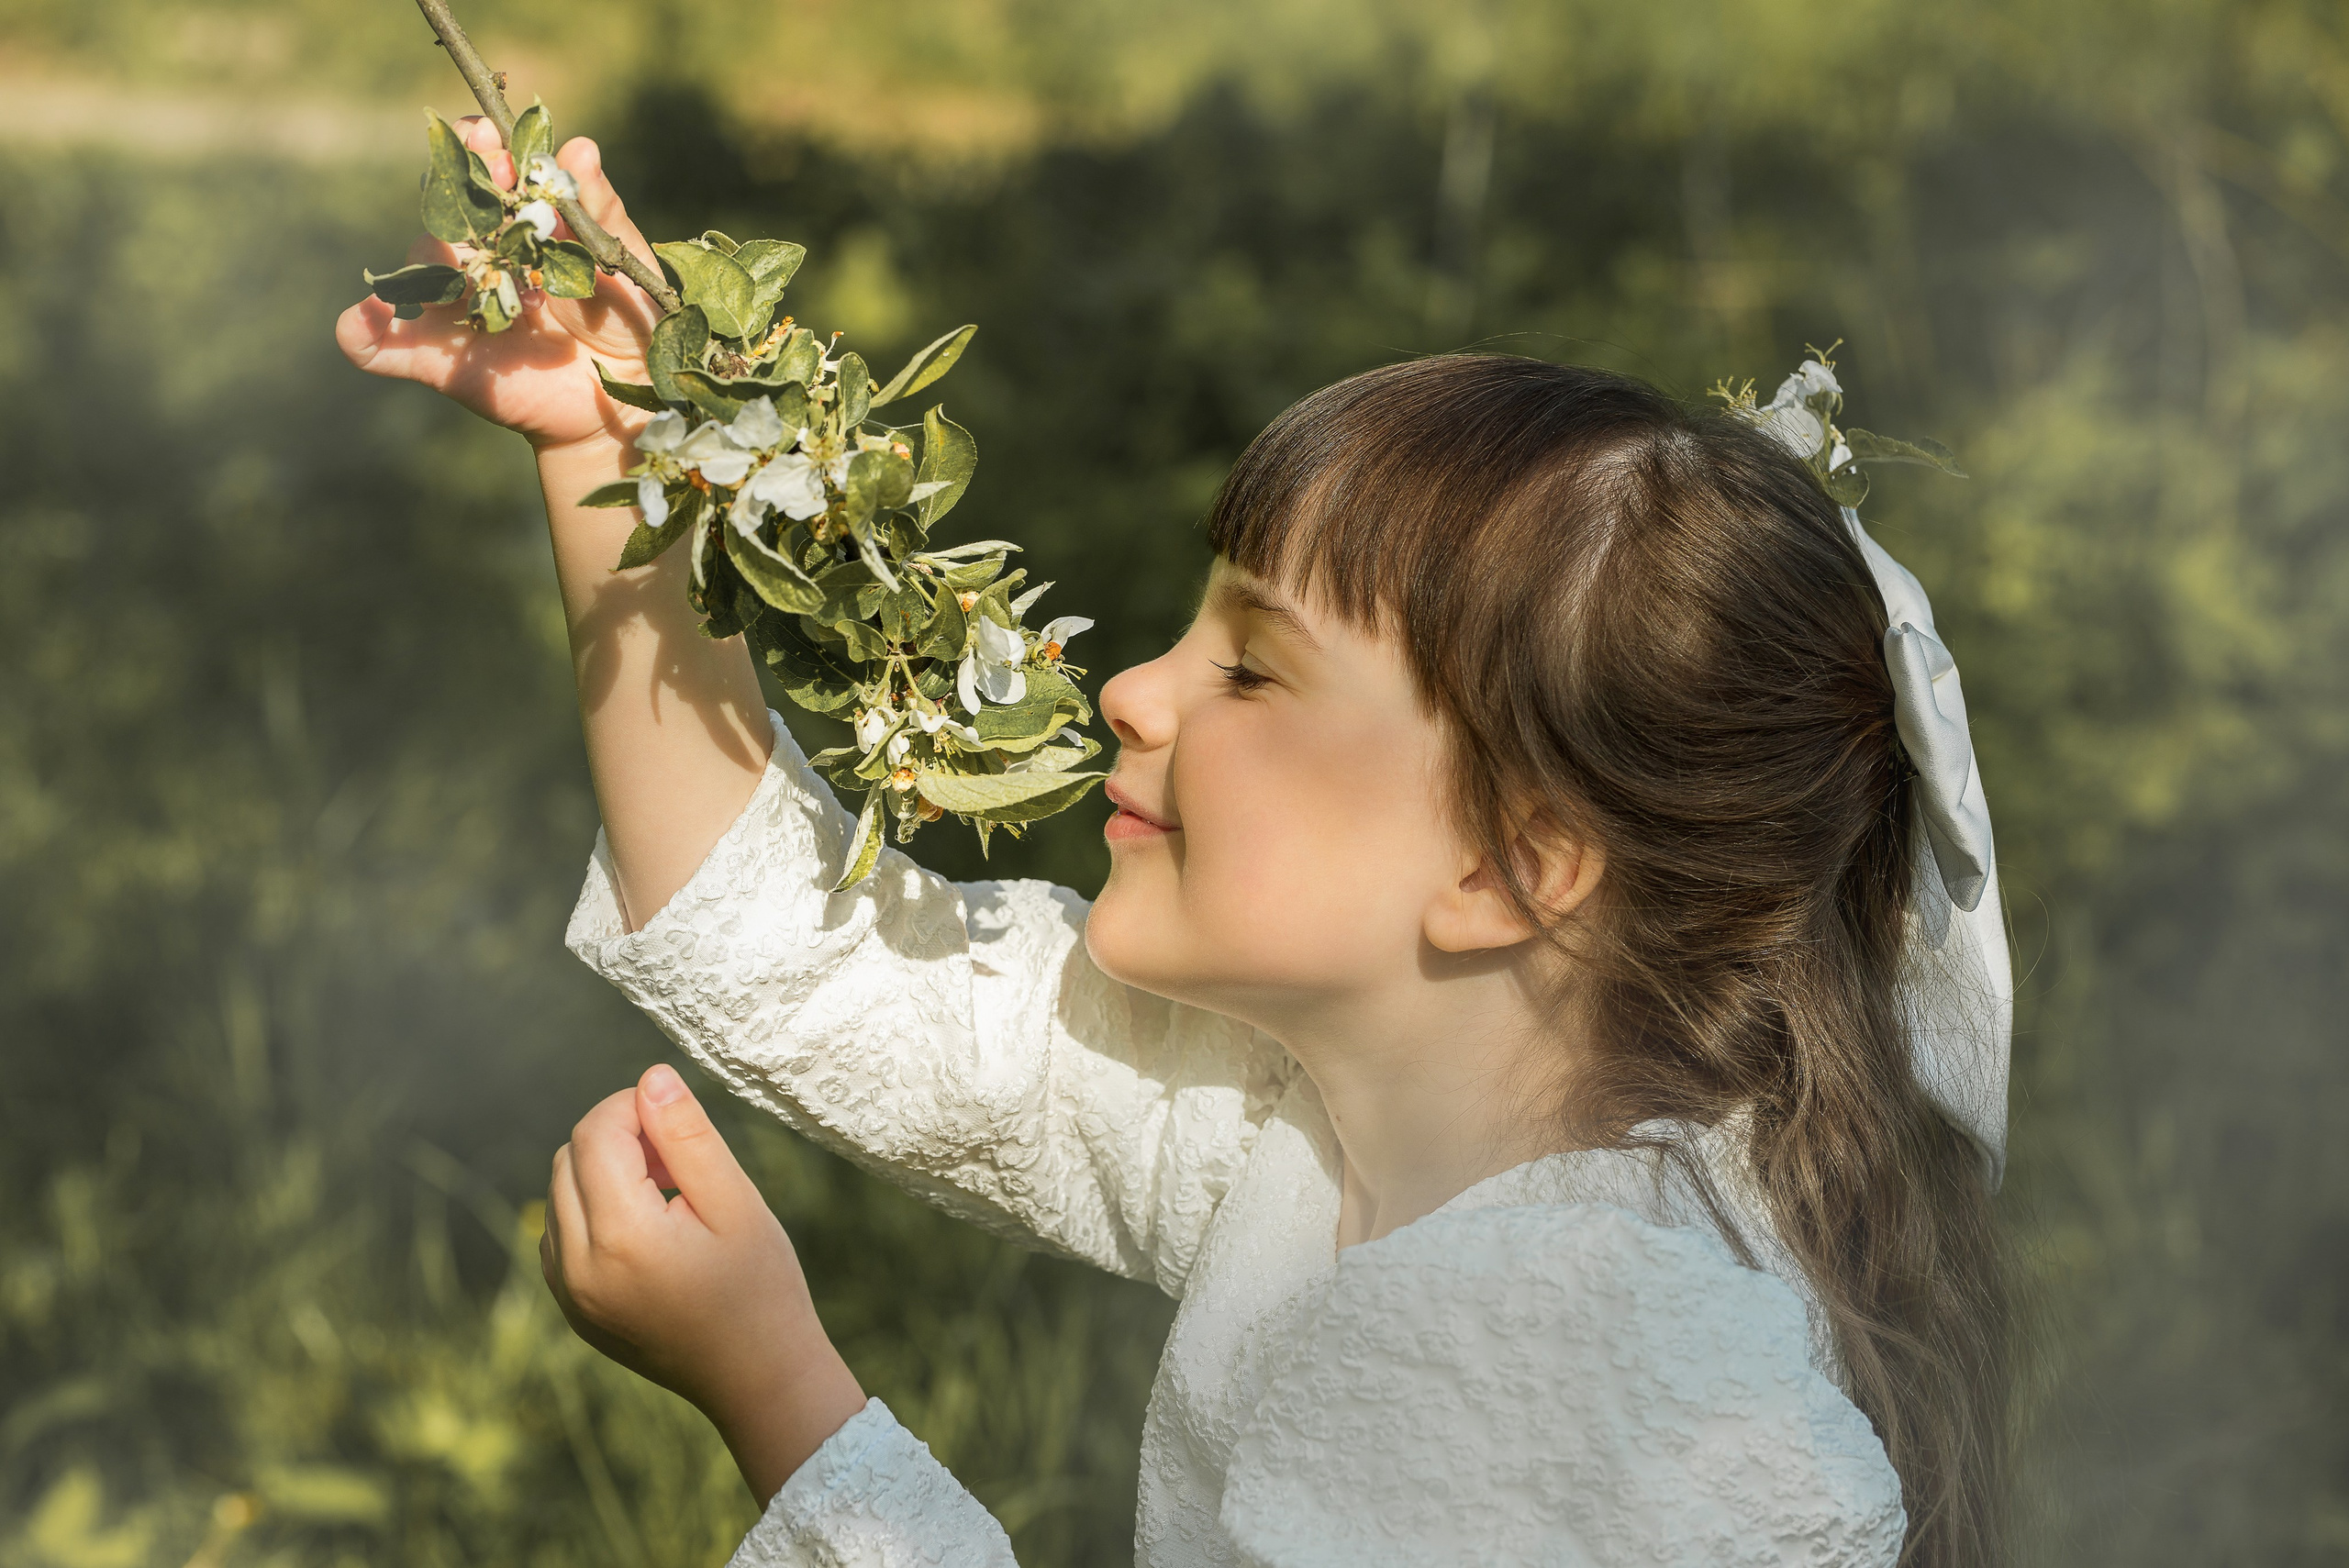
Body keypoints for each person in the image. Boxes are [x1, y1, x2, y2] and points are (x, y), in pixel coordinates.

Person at [337, 120, 2017, 1568]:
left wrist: (782, 1396)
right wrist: (620, 443)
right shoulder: (1317, 1123)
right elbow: (809, 955)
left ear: (1513, 862)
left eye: (1252, 668)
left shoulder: (1594, 1364)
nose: (1133, 690)